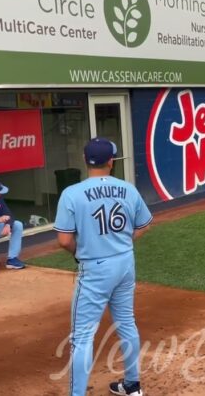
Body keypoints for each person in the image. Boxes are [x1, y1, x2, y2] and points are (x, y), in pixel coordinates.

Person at [54, 138, 153, 396]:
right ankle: (132, 386)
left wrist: (81, 251)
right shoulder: (128, 189)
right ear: (111, 161)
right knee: (126, 323)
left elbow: (64, 240)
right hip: (125, 262)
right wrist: (119, 243)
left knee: (82, 337)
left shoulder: (71, 193)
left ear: (85, 161)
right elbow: (143, 225)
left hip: (95, 269)